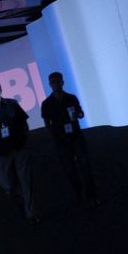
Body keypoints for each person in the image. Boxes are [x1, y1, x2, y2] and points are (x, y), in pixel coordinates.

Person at [0, 79, 39, 224]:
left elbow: (23, 122)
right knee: (8, 185)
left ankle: (31, 213)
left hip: (18, 148)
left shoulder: (12, 104)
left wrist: (24, 139)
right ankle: (21, 204)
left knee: (26, 181)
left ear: (1, 89)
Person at [41, 72, 100, 207]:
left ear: (62, 82)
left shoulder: (71, 98)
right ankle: (79, 196)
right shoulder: (46, 103)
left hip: (76, 136)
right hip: (61, 140)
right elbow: (46, 122)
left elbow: (81, 113)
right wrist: (54, 135)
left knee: (85, 166)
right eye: (53, 82)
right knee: (70, 169)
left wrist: (78, 114)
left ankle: (92, 196)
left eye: (57, 81)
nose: (56, 84)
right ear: (50, 84)